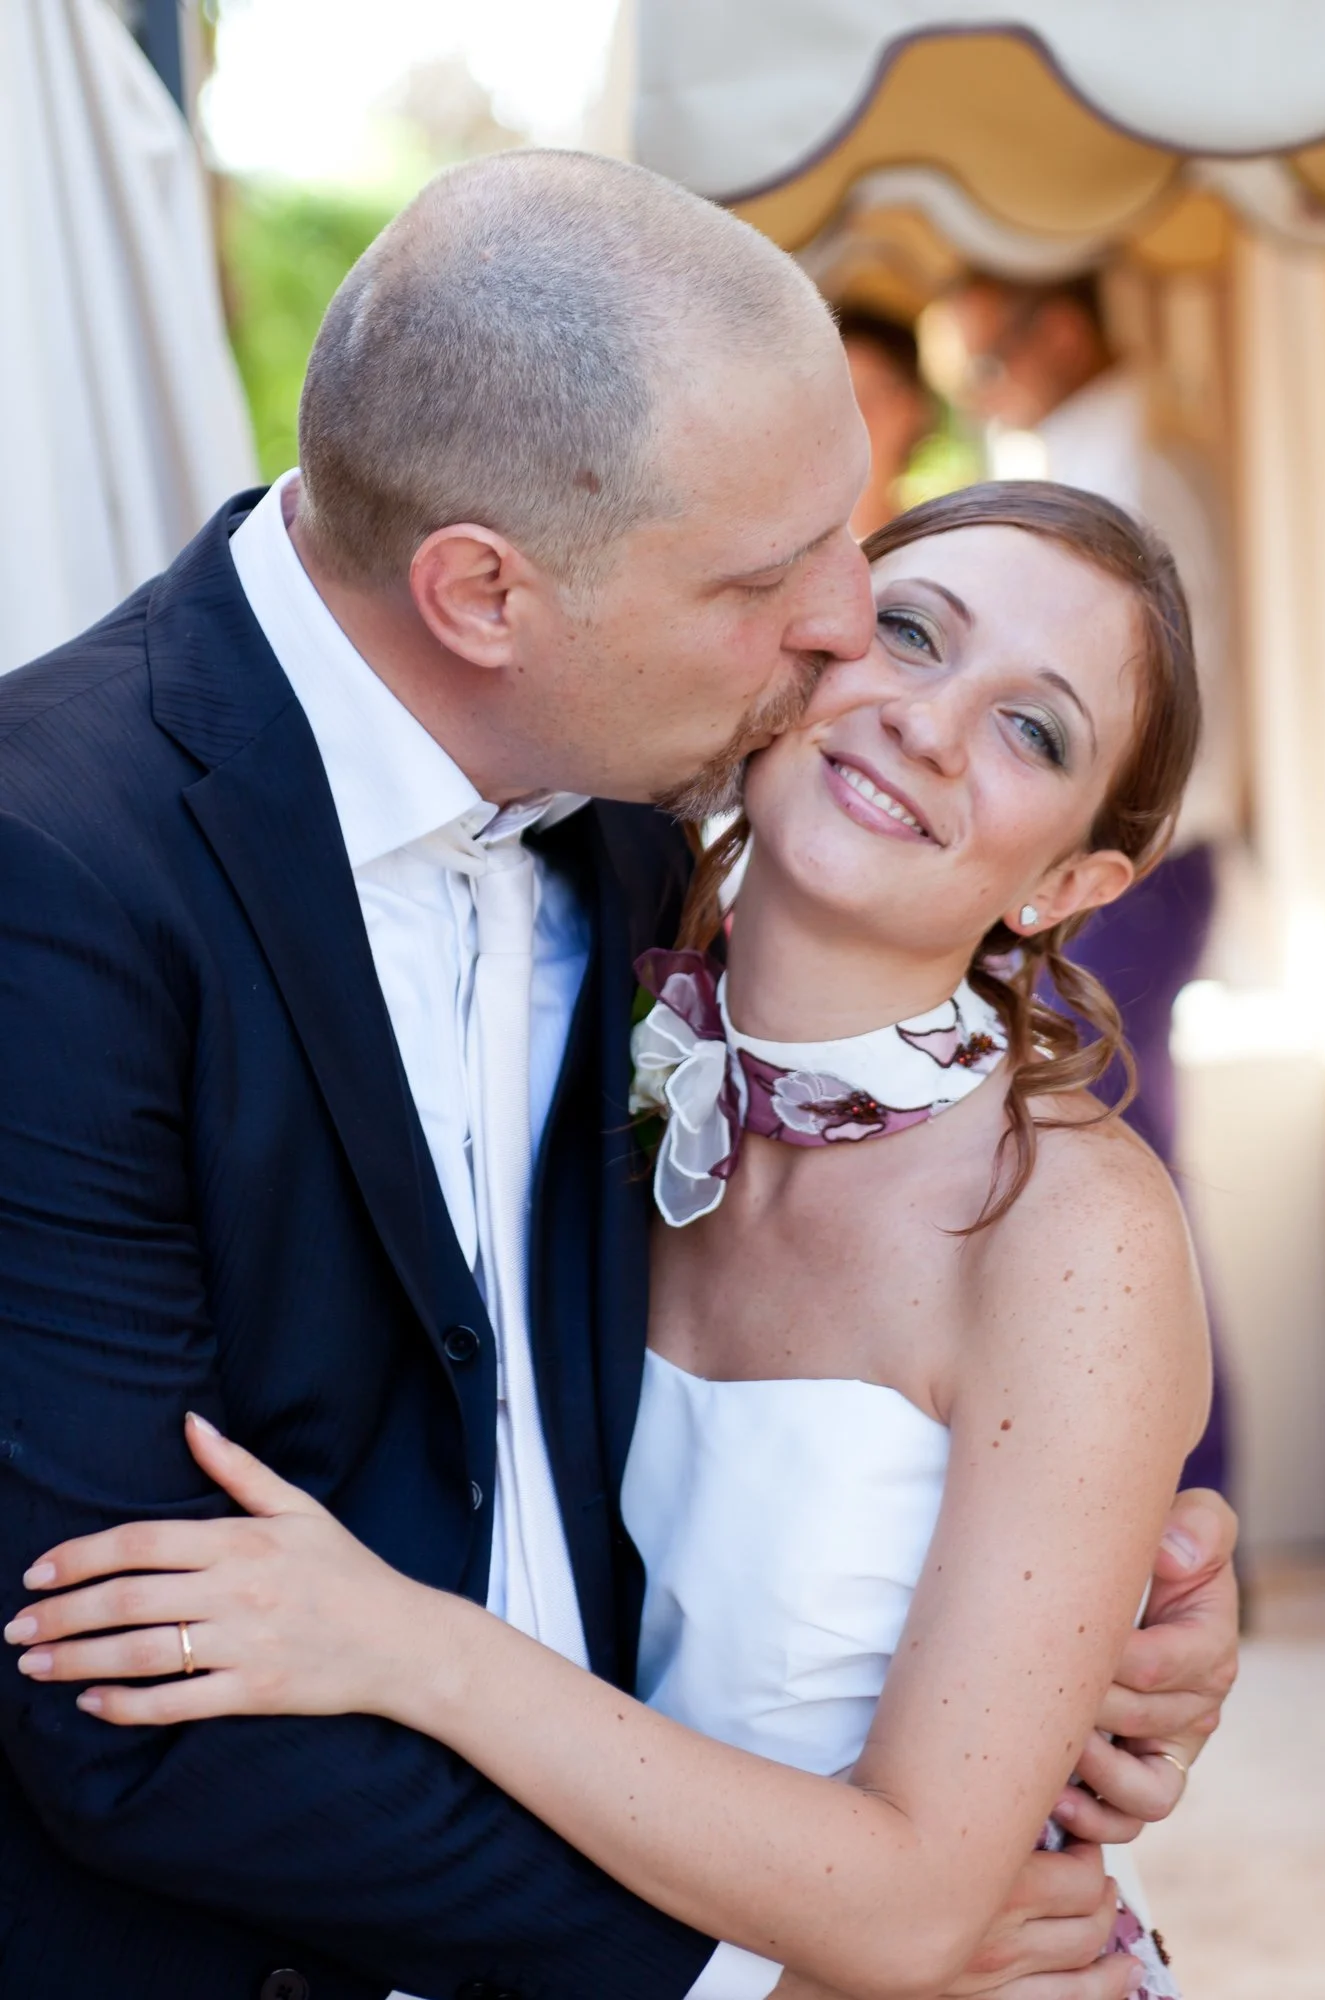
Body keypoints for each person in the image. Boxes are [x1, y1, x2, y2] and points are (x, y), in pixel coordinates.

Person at [0, 148, 1238, 2000]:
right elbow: (124, 1702)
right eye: (793, 583)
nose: (842, 632)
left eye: (857, 534)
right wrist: (775, 1961)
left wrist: (1096, 1609)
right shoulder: (60, 872)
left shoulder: (632, 841)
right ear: (483, 595)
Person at [929, 273, 1240, 1494]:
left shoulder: (1130, 468)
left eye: (986, 368)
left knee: (1109, 1162)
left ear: (1053, 322)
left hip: (1129, 872)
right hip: (1121, 867)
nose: (981, 399)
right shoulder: (1102, 447)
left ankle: (1171, 1502)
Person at [837, 307, 935, 539]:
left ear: (912, 407)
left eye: (866, 394)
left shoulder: (934, 546)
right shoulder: (777, 558)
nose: (849, 417)